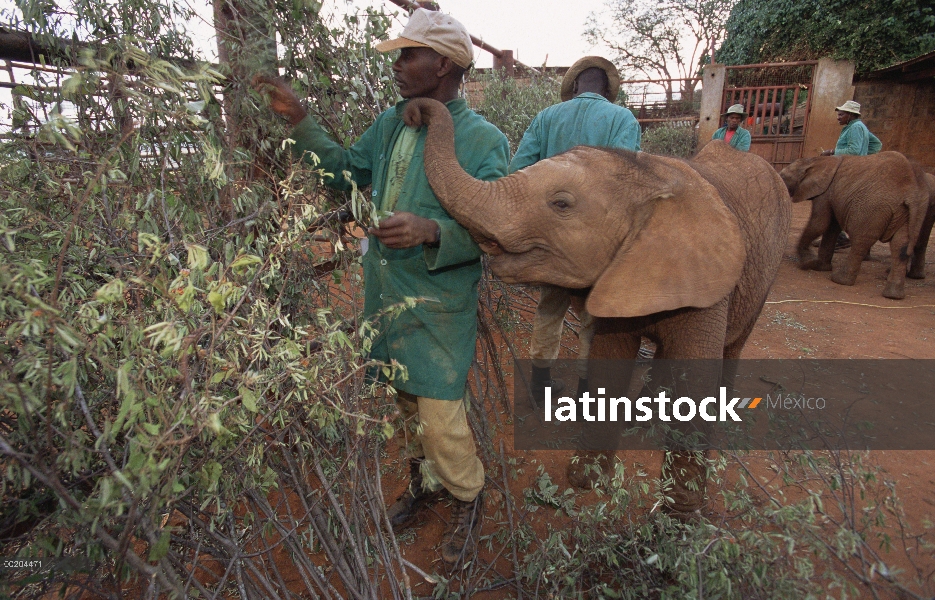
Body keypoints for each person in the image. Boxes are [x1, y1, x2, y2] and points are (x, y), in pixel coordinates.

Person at [253, 8, 510, 567]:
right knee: (403, 404)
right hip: (387, 299)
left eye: (406, 55)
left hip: (439, 306)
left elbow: (494, 228)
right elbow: (345, 173)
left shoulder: (482, 139)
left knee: (441, 417)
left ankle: (468, 498)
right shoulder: (392, 124)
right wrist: (299, 120)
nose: (396, 66)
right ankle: (425, 486)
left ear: (441, 64)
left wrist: (430, 230)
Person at [509, 56, 642, 402]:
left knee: (549, 305)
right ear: (607, 90)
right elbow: (626, 180)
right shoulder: (621, 118)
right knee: (592, 312)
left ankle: (540, 385)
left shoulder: (547, 117)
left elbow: (519, 169)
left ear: (576, 87)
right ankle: (586, 391)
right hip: (597, 238)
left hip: (551, 235)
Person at [819, 100, 883, 250]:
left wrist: (832, 152)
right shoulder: (858, 127)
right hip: (855, 170)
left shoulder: (855, 128)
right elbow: (877, 144)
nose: (838, 117)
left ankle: (841, 237)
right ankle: (840, 238)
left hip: (851, 172)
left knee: (838, 204)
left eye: (841, 114)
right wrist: (865, 156)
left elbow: (853, 150)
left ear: (850, 115)